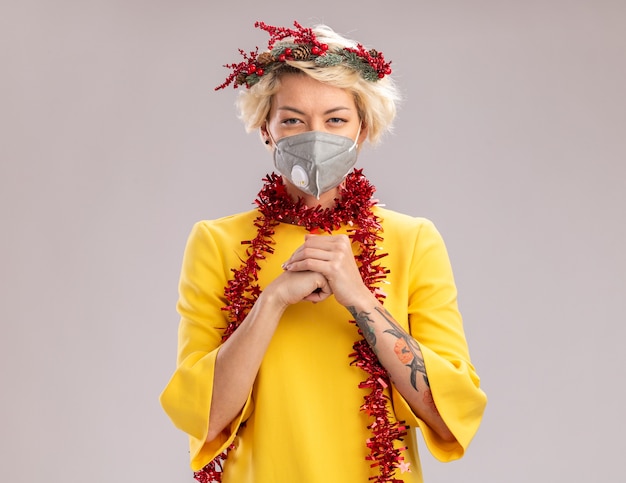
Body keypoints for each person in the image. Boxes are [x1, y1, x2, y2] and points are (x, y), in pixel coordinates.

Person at [160, 20, 487, 483]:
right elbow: (206, 417)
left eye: (336, 119)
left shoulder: (412, 240)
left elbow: (447, 411)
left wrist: (360, 298)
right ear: (266, 131)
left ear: (364, 129)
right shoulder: (217, 242)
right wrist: (272, 300)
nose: (315, 135)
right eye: (292, 119)